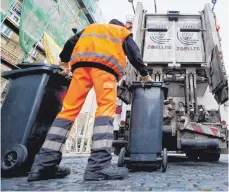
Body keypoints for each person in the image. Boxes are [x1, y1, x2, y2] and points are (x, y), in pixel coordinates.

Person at [27, 19, 153, 182]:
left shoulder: (91, 28)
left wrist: (64, 62)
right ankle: (97, 167)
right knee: (104, 112)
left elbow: (70, 42)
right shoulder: (121, 32)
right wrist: (144, 74)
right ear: (122, 26)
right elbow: (134, 53)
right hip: (105, 71)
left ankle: (43, 166)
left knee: (68, 111)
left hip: (80, 69)